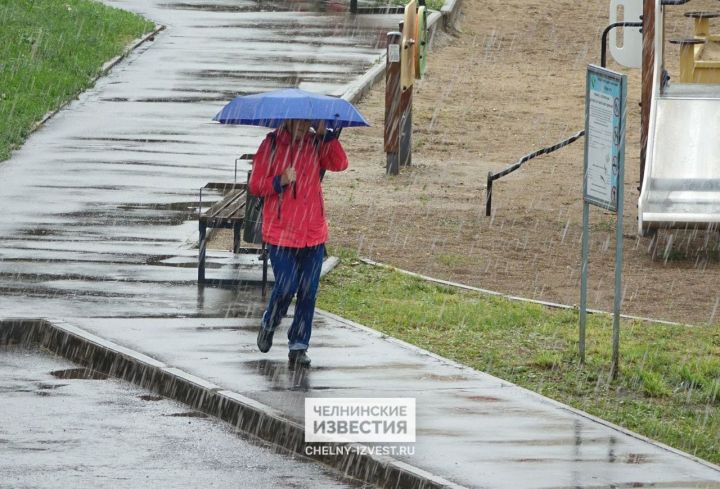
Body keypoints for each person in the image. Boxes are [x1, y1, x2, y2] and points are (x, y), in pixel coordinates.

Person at [248, 119, 348, 368]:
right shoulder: (271, 145)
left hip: (312, 233)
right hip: (281, 234)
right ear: (288, 120)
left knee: (308, 291)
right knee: (286, 285)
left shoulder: (315, 143)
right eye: (299, 121)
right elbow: (255, 185)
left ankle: (299, 346)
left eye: (309, 121)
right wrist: (278, 180)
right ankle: (270, 321)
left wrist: (327, 137)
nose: (304, 126)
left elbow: (340, 164)